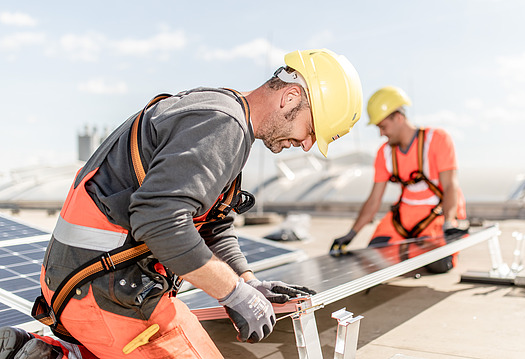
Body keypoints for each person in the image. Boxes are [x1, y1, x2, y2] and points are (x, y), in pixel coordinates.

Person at [0, 48, 362, 359]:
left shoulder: (223, 116)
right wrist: (234, 293)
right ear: (291, 99)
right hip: (106, 290)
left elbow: (212, 228)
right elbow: (160, 222)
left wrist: (248, 281)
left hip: (83, 281)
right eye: (312, 130)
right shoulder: (223, 125)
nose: (308, 144)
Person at [330, 86, 467, 273]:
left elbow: (451, 186)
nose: (381, 134)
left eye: (383, 127)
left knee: (439, 265)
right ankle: (411, 251)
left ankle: (431, 251)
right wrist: (350, 234)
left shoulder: (437, 140)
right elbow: (373, 200)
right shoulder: (384, 153)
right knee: (374, 255)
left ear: (399, 118)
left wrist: (449, 223)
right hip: (403, 217)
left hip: (438, 214)